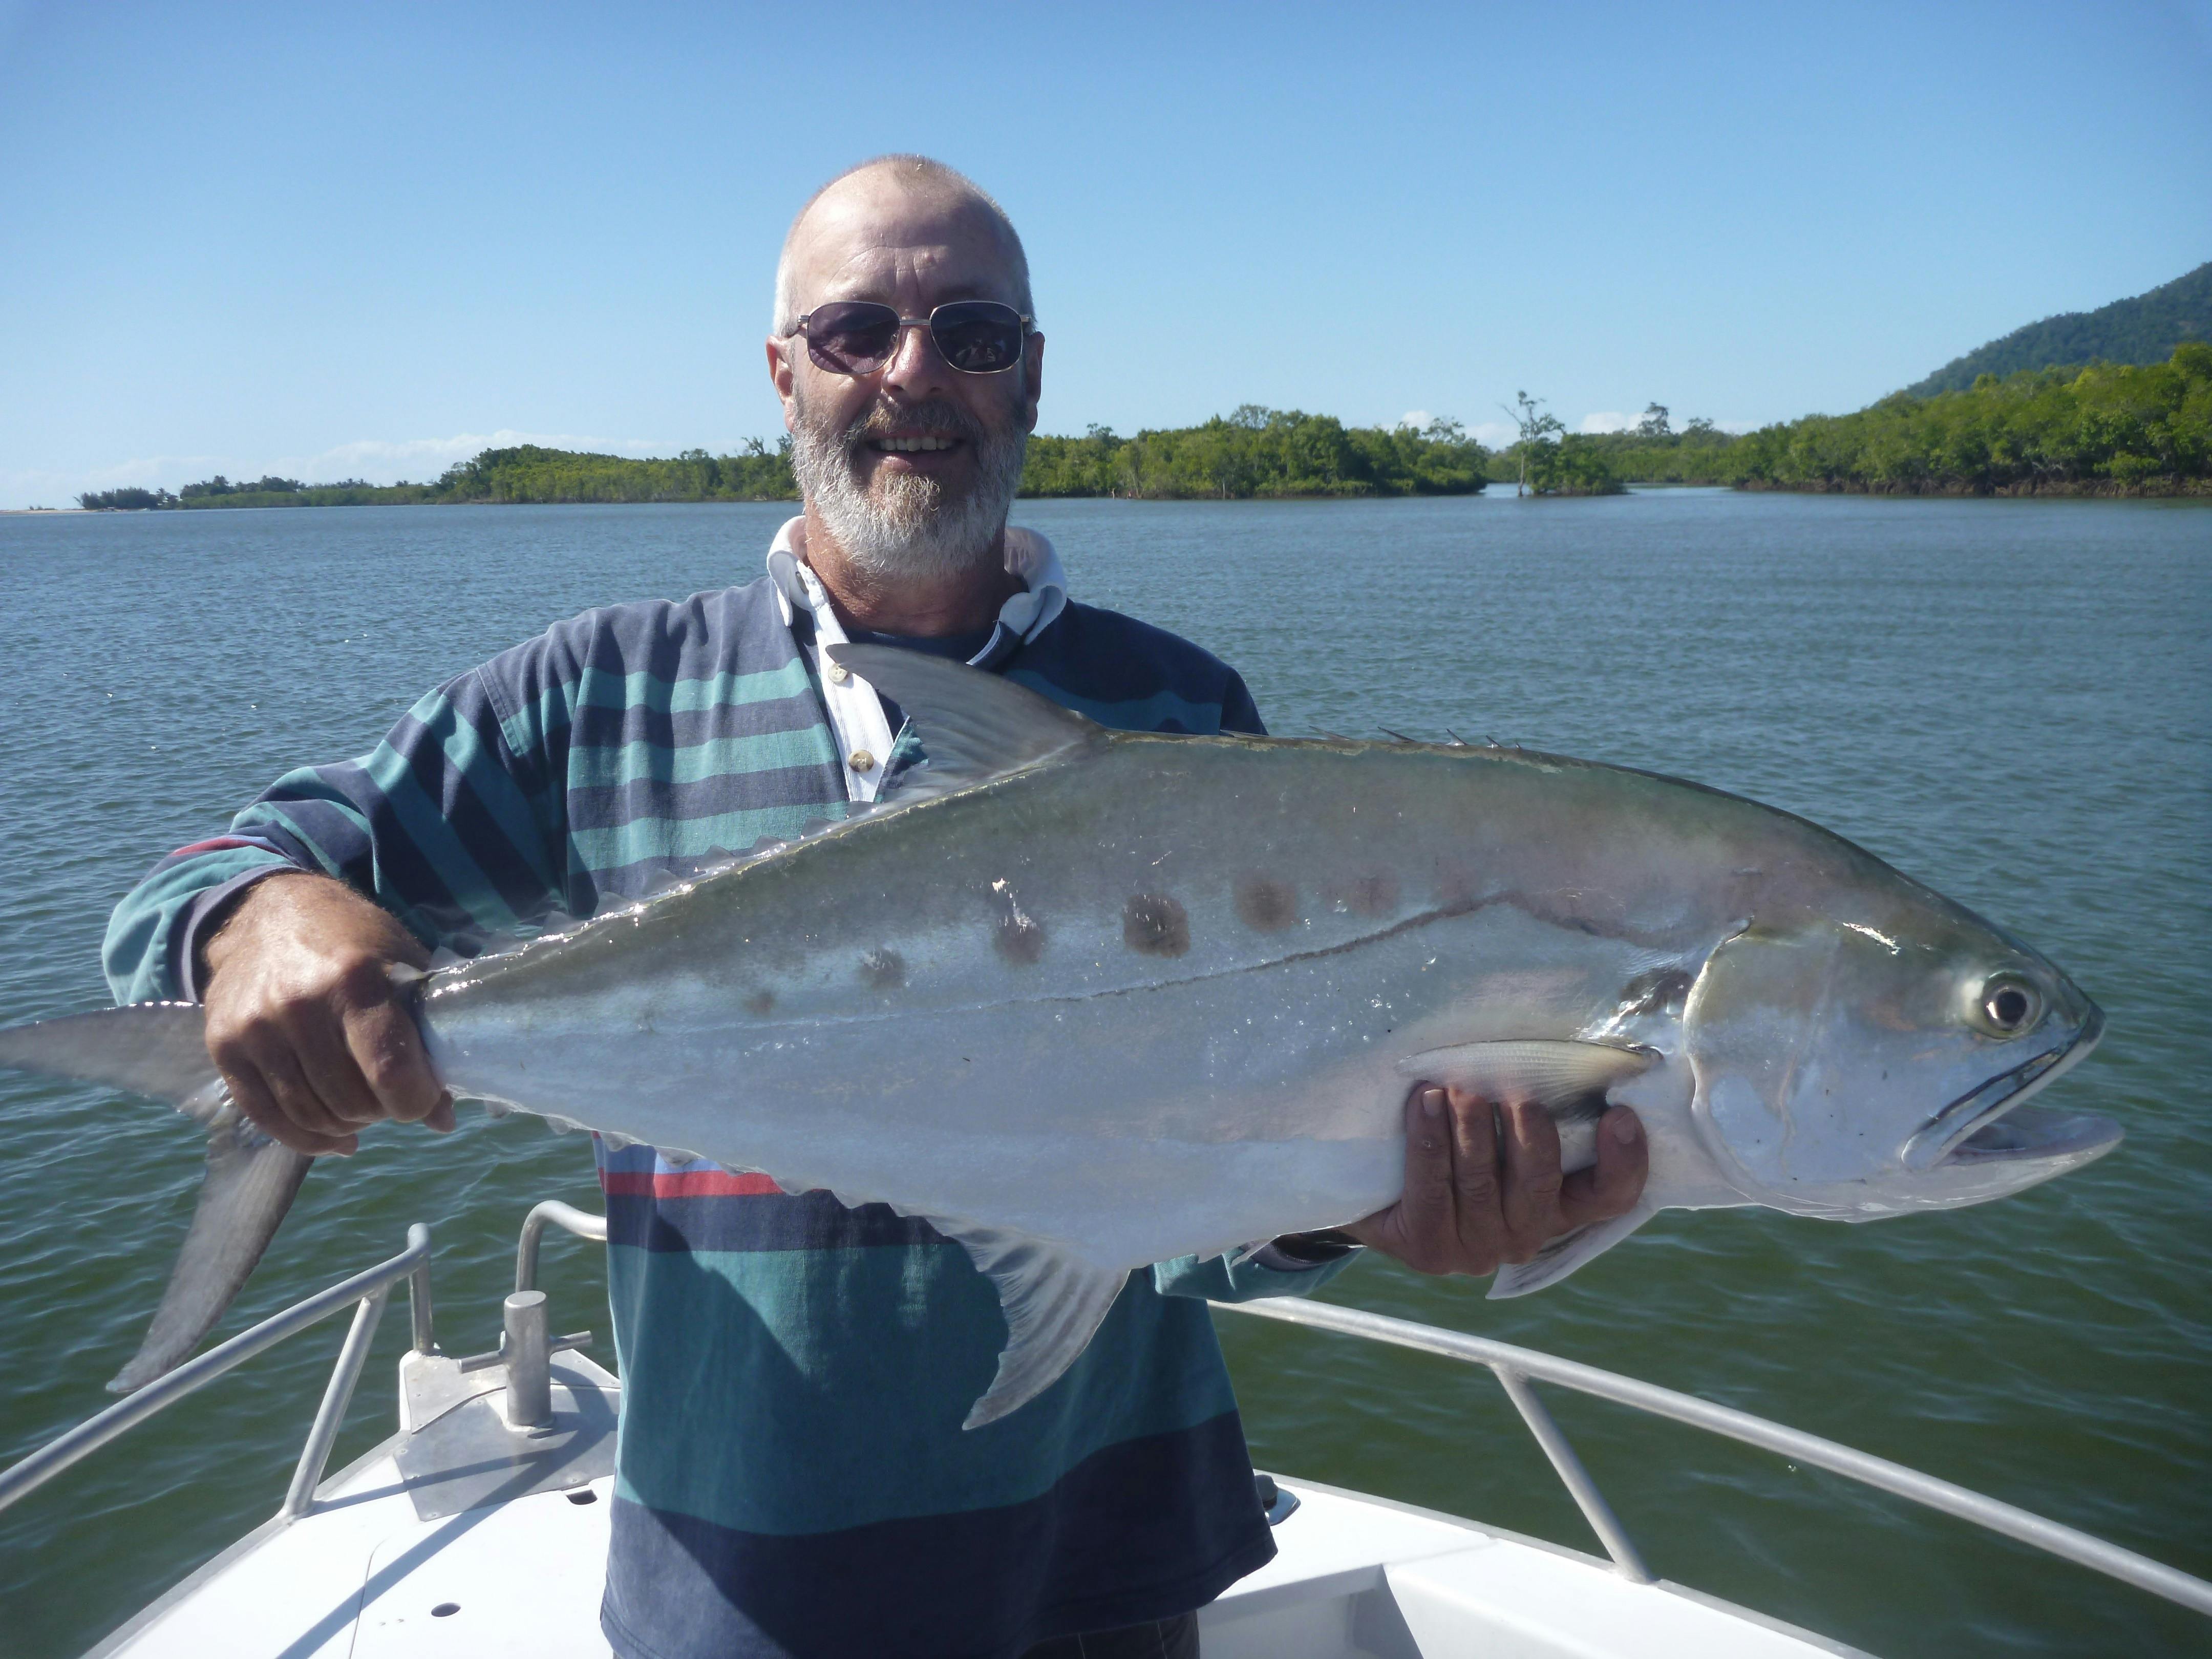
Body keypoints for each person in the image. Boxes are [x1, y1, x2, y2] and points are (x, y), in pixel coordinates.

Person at [103, 156, 1649, 1659]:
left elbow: (1215, 1198)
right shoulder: (600, 695)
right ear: (783, 373)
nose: (917, 374)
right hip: (738, 1584)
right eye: (860, 332)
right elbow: (197, 882)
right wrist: (259, 925)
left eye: (971, 335)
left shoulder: (1176, 707)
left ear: (1030, 378)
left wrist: (1364, 1206)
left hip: (1105, 1566)